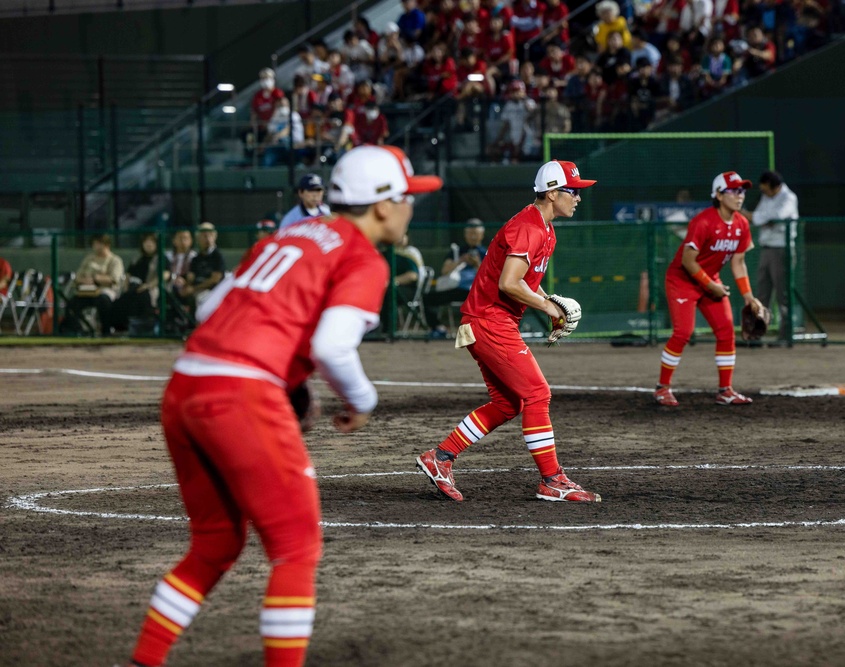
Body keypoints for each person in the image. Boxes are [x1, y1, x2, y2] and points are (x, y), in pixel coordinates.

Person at [127, 145, 442, 667]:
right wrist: (362, 400)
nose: (412, 206)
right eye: (408, 197)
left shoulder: (285, 234)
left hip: (184, 386)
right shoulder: (361, 256)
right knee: (297, 547)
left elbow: (209, 308)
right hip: (240, 394)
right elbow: (331, 347)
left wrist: (284, 372)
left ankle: (143, 660)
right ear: (383, 206)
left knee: (214, 545)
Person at [416, 160, 601, 503]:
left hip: (488, 320)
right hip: (490, 321)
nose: (577, 197)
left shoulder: (545, 229)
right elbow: (509, 283)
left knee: (507, 403)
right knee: (537, 394)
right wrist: (547, 308)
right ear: (550, 193)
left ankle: (439, 458)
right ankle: (551, 480)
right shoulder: (529, 226)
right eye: (571, 191)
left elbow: (526, 284)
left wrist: (551, 302)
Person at [654, 171, 766, 407]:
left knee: (726, 332)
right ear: (718, 194)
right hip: (682, 280)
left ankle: (725, 391)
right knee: (683, 333)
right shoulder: (703, 221)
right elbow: (688, 260)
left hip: (709, 281)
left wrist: (749, 297)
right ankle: (662, 388)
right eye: (734, 190)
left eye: (742, 191)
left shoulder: (741, 224)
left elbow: (738, 262)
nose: (740, 195)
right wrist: (711, 285)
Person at [746, 170, 798, 337]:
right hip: (766, 248)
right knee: (762, 293)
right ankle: (757, 334)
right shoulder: (766, 197)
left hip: (781, 249)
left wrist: (760, 218)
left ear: (774, 186)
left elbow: (774, 218)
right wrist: (760, 218)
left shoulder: (788, 198)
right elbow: (761, 217)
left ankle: (785, 335)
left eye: (765, 188)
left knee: (783, 294)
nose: (763, 191)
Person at [424, 218, 489, 338]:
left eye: (475, 233)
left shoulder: (486, 252)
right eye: (470, 233)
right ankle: (438, 328)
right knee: (428, 298)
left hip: (475, 291)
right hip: (456, 287)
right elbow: (444, 270)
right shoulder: (457, 251)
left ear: (481, 235)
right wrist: (460, 261)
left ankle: (475, 332)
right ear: (465, 234)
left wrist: (477, 264)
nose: (472, 236)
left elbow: (489, 276)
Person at [64, 233, 125, 336]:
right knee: (72, 303)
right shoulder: (89, 259)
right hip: (87, 291)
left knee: (103, 301)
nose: (96, 247)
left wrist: (96, 279)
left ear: (106, 245)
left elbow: (114, 279)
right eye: (94, 244)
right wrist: (85, 280)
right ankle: (78, 330)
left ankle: (106, 331)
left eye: (99, 244)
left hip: (105, 291)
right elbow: (78, 276)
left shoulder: (115, 260)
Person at [109, 233, 160, 333]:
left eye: (152, 241)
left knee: (143, 296)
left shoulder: (160, 259)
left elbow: (164, 276)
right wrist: (126, 286)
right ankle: (118, 328)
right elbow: (128, 275)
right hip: (133, 289)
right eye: (146, 241)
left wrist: (147, 286)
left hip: (149, 289)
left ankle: (143, 328)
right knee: (120, 302)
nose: (149, 244)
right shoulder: (137, 259)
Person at [178, 222, 225, 309]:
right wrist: (184, 282)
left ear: (215, 237)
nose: (207, 238)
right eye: (204, 235)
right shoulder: (196, 259)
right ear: (198, 238)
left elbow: (215, 279)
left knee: (201, 298)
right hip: (195, 290)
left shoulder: (217, 256)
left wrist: (194, 288)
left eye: (210, 235)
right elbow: (191, 277)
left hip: (212, 292)